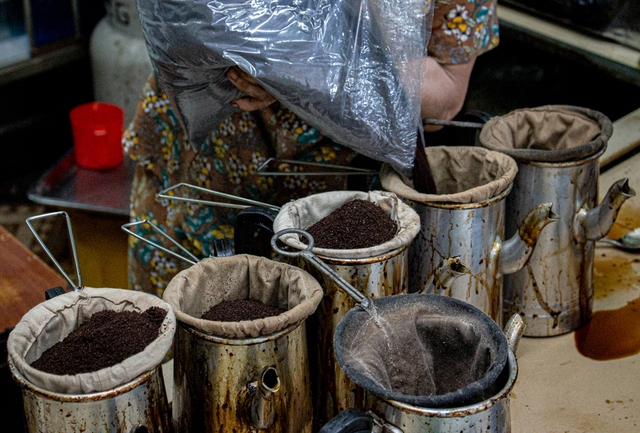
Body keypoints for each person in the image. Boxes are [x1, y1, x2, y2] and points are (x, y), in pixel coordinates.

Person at [123, 0, 500, 296]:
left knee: (318, 361)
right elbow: (182, 19)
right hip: (199, 181)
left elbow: (445, 96)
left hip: (335, 210)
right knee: (185, 359)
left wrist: (304, 64)